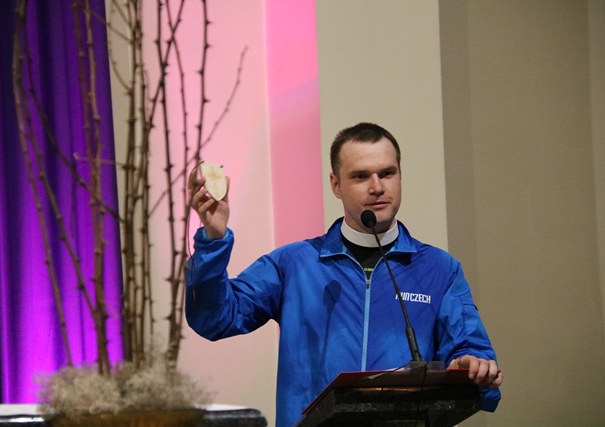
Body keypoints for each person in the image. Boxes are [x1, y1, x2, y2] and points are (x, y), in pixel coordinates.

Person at [186, 122, 503, 427]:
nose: (377, 187)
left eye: (387, 173)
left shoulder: (439, 269)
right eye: (361, 176)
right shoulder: (293, 264)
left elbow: (472, 354)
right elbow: (215, 319)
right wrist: (214, 240)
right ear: (336, 185)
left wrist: (472, 368)